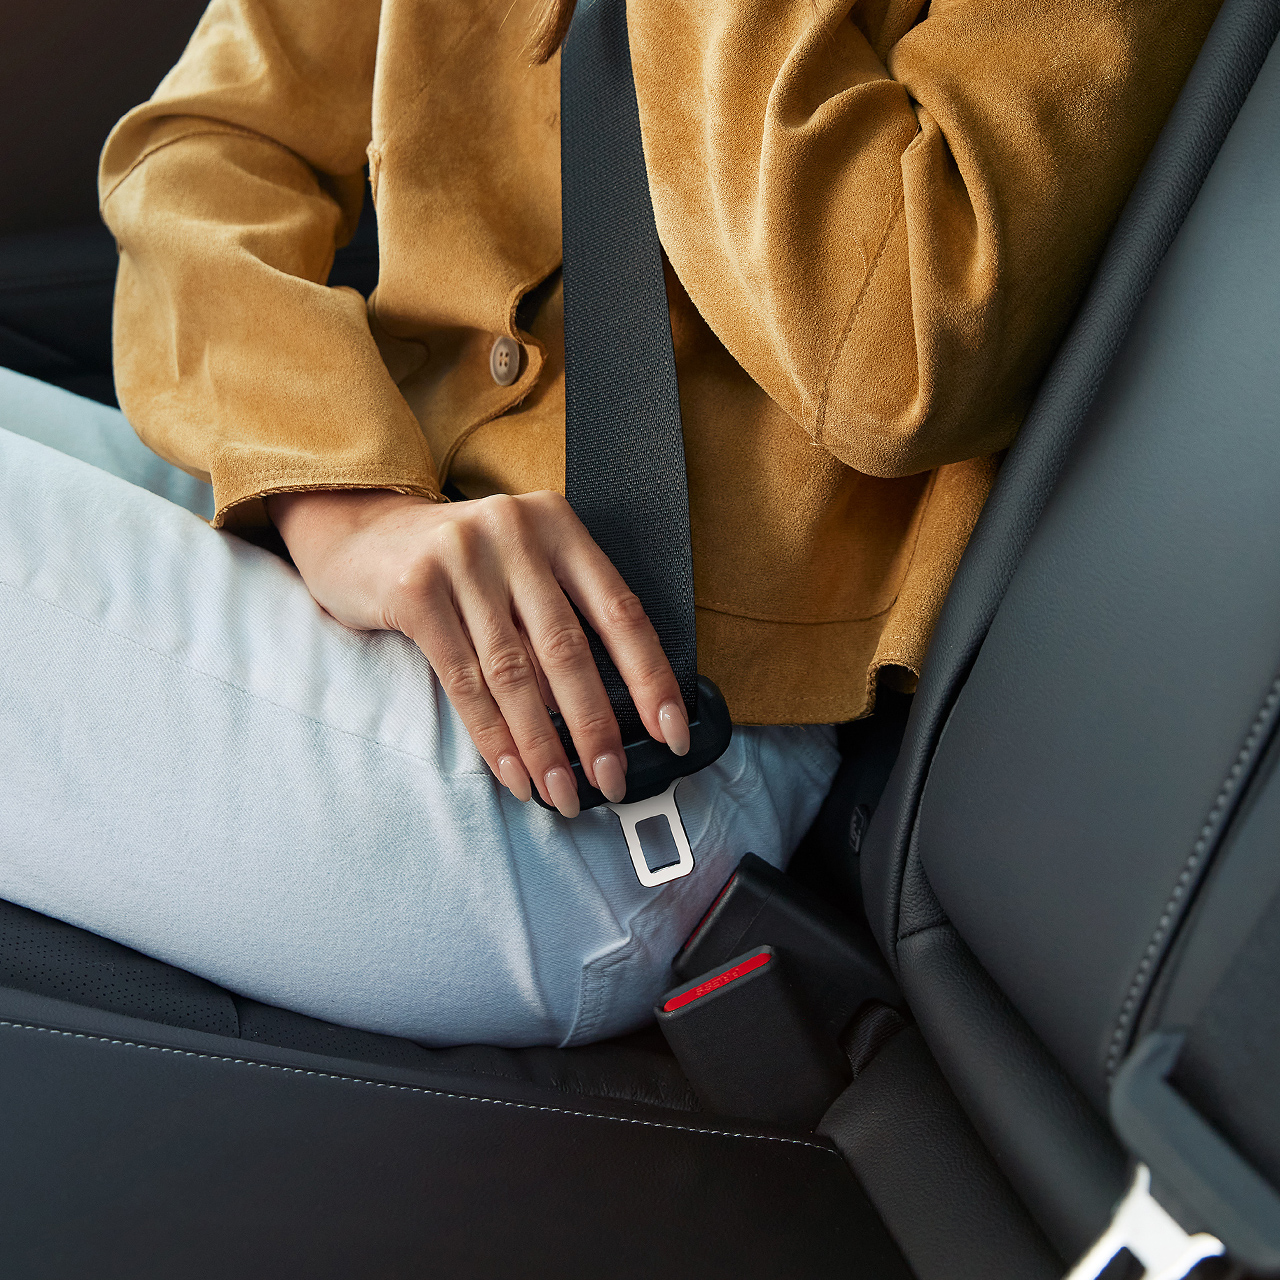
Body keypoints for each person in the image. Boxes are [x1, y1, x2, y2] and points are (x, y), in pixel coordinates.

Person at [0, 0, 1220, 1046]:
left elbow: (892, 348)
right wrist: (337, 500)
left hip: (619, 754)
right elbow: (206, 148)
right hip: (395, 549)